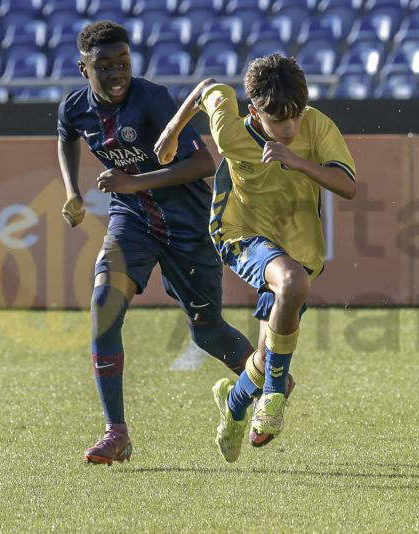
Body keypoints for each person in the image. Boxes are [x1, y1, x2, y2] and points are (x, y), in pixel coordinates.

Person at [56, 21, 257, 465]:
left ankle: (266, 379)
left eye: (122, 63)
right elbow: (66, 136)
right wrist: (72, 191)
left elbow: (204, 162)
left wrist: (133, 181)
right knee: (104, 305)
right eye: (103, 66)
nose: (115, 74)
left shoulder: (152, 99)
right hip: (132, 220)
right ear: (82, 68)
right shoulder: (75, 108)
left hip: (188, 223)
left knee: (207, 333)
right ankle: (116, 433)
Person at [155, 54, 357, 462]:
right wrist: (172, 131)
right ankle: (272, 401)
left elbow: (348, 185)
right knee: (293, 284)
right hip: (238, 234)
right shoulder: (231, 130)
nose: (289, 127)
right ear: (254, 112)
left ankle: (234, 406)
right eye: (278, 121)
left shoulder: (316, 125)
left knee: (266, 358)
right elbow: (208, 86)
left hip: (297, 246)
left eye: (295, 117)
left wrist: (297, 161)